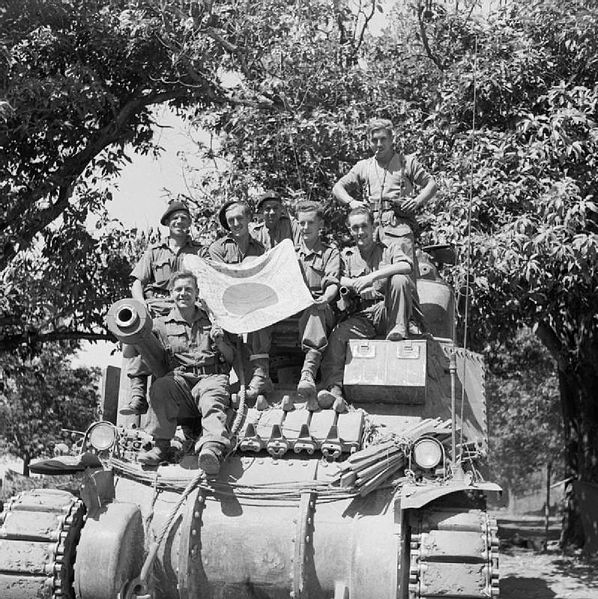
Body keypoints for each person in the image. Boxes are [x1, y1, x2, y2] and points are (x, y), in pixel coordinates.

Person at [135, 271, 235, 474]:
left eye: (188, 289)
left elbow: (232, 358)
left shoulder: (213, 319)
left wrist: (221, 342)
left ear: (197, 292)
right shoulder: (161, 325)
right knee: (161, 387)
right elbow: (137, 348)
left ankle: (211, 449)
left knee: (211, 400)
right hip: (180, 380)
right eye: (178, 289)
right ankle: (161, 446)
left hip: (210, 377)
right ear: (171, 293)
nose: (183, 293)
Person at [317, 207, 417, 409]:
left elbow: (406, 265)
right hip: (362, 316)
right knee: (337, 337)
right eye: (355, 227)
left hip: (388, 310)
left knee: (399, 279)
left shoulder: (388, 250)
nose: (360, 231)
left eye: (364, 226)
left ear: (374, 227)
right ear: (350, 230)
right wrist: (354, 284)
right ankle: (334, 390)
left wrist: (372, 278)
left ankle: (398, 329)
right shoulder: (346, 256)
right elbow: (333, 277)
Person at [122, 200, 204, 415]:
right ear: (167, 223)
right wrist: (141, 305)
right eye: (175, 218)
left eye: (184, 218)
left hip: (186, 308)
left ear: (189, 223)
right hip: (157, 306)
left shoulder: (199, 251)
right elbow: (137, 282)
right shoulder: (155, 251)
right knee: (141, 334)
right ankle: (138, 394)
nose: (179, 222)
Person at [332, 117, 437, 278]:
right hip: (371, 231)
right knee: (374, 278)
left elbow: (431, 184)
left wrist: (416, 201)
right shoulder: (363, 167)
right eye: (374, 140)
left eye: (383, 139)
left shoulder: (406, 163)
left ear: (391, 139)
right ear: (368, 141)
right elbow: (338, 187)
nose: (379, 144)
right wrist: (352, 202)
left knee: (404, 277)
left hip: (398, 227)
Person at [208, 200, 272, 400]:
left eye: (239, 219)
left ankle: (260, 375)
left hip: (252, 301)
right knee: (219, 333)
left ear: (249, 219)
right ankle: (230, 381)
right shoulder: (218, 248)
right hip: (226, 301)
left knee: (260, 312)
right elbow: (219, 280)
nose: (235, 224)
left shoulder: (260, 248)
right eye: (231, 220)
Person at [293, 201, 340, 409]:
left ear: (320, 224)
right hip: (292, 309)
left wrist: (326, 298)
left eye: (310, 223)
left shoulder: (330, 253)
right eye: (301, 223)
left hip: (321, 308)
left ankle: (308, 373)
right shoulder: (290, 253)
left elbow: (332, 283)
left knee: (314, 307)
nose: (305, 228)